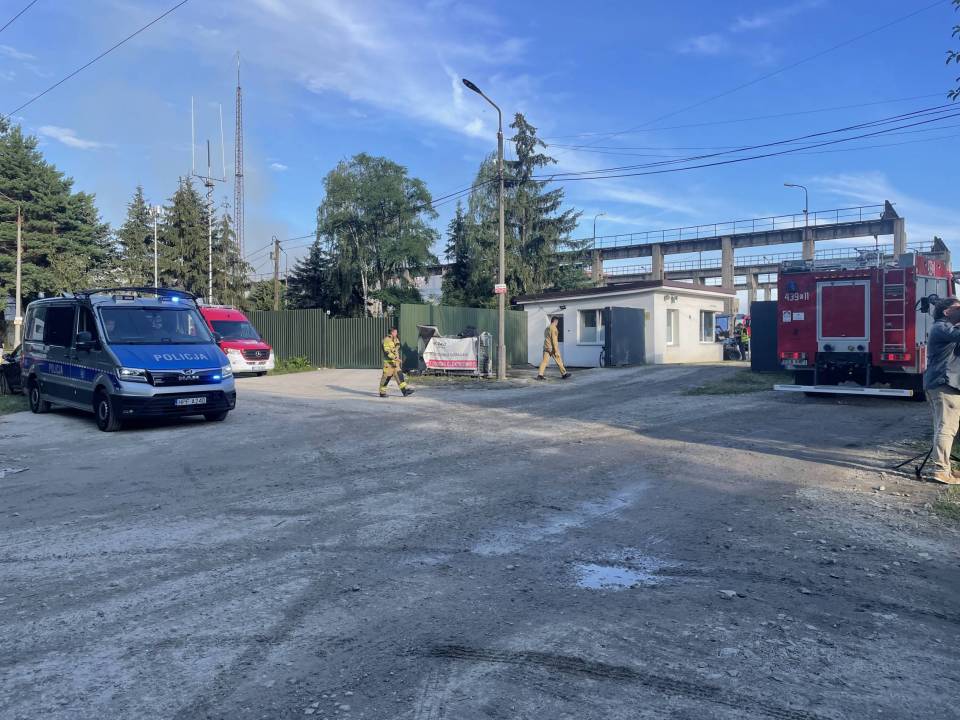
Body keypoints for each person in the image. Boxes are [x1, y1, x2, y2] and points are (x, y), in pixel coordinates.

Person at [922, 296, 960, 484]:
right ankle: (941, 471)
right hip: (944, 384)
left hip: (946, 384)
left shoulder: (948, 329)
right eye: (958, 308)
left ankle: (947, 468)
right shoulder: (941, 327)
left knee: (946, 427)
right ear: (947, 312)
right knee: (946, 428)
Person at [379, 327, 414, 398]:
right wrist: (395, 358)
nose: (396, 333)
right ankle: (382, 392)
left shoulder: (395, 339)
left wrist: (397, 343)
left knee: (400, 376)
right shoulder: (386, 340)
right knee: (386, 378)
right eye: (395, 332)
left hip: (396, 363)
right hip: (389, 364)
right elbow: (387, 352)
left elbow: (397, 346)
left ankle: (405, 391)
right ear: (392, 332)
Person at [538, 316, 571, 381]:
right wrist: (556, 350)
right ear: (555, 321)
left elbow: (547, 338)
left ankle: (540, 375)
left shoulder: (547, 328)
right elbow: (554, 340)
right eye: (557, 322)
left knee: (544, 361)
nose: (557, 323)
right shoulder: (554, 328)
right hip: (552, 348)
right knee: (559, 360)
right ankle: (564, 374)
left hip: (546, 347)